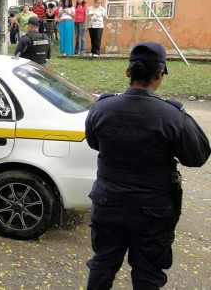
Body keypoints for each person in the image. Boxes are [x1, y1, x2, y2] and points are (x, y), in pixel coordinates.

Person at [85, 42, 210, 289]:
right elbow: (197, 157)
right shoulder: (173, 115)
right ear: (159, 75)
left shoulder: (101, 107)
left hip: (107, 202)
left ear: (128, 72)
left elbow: (93, 143)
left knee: (103, 263)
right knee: (148, 274)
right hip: (153, 211)